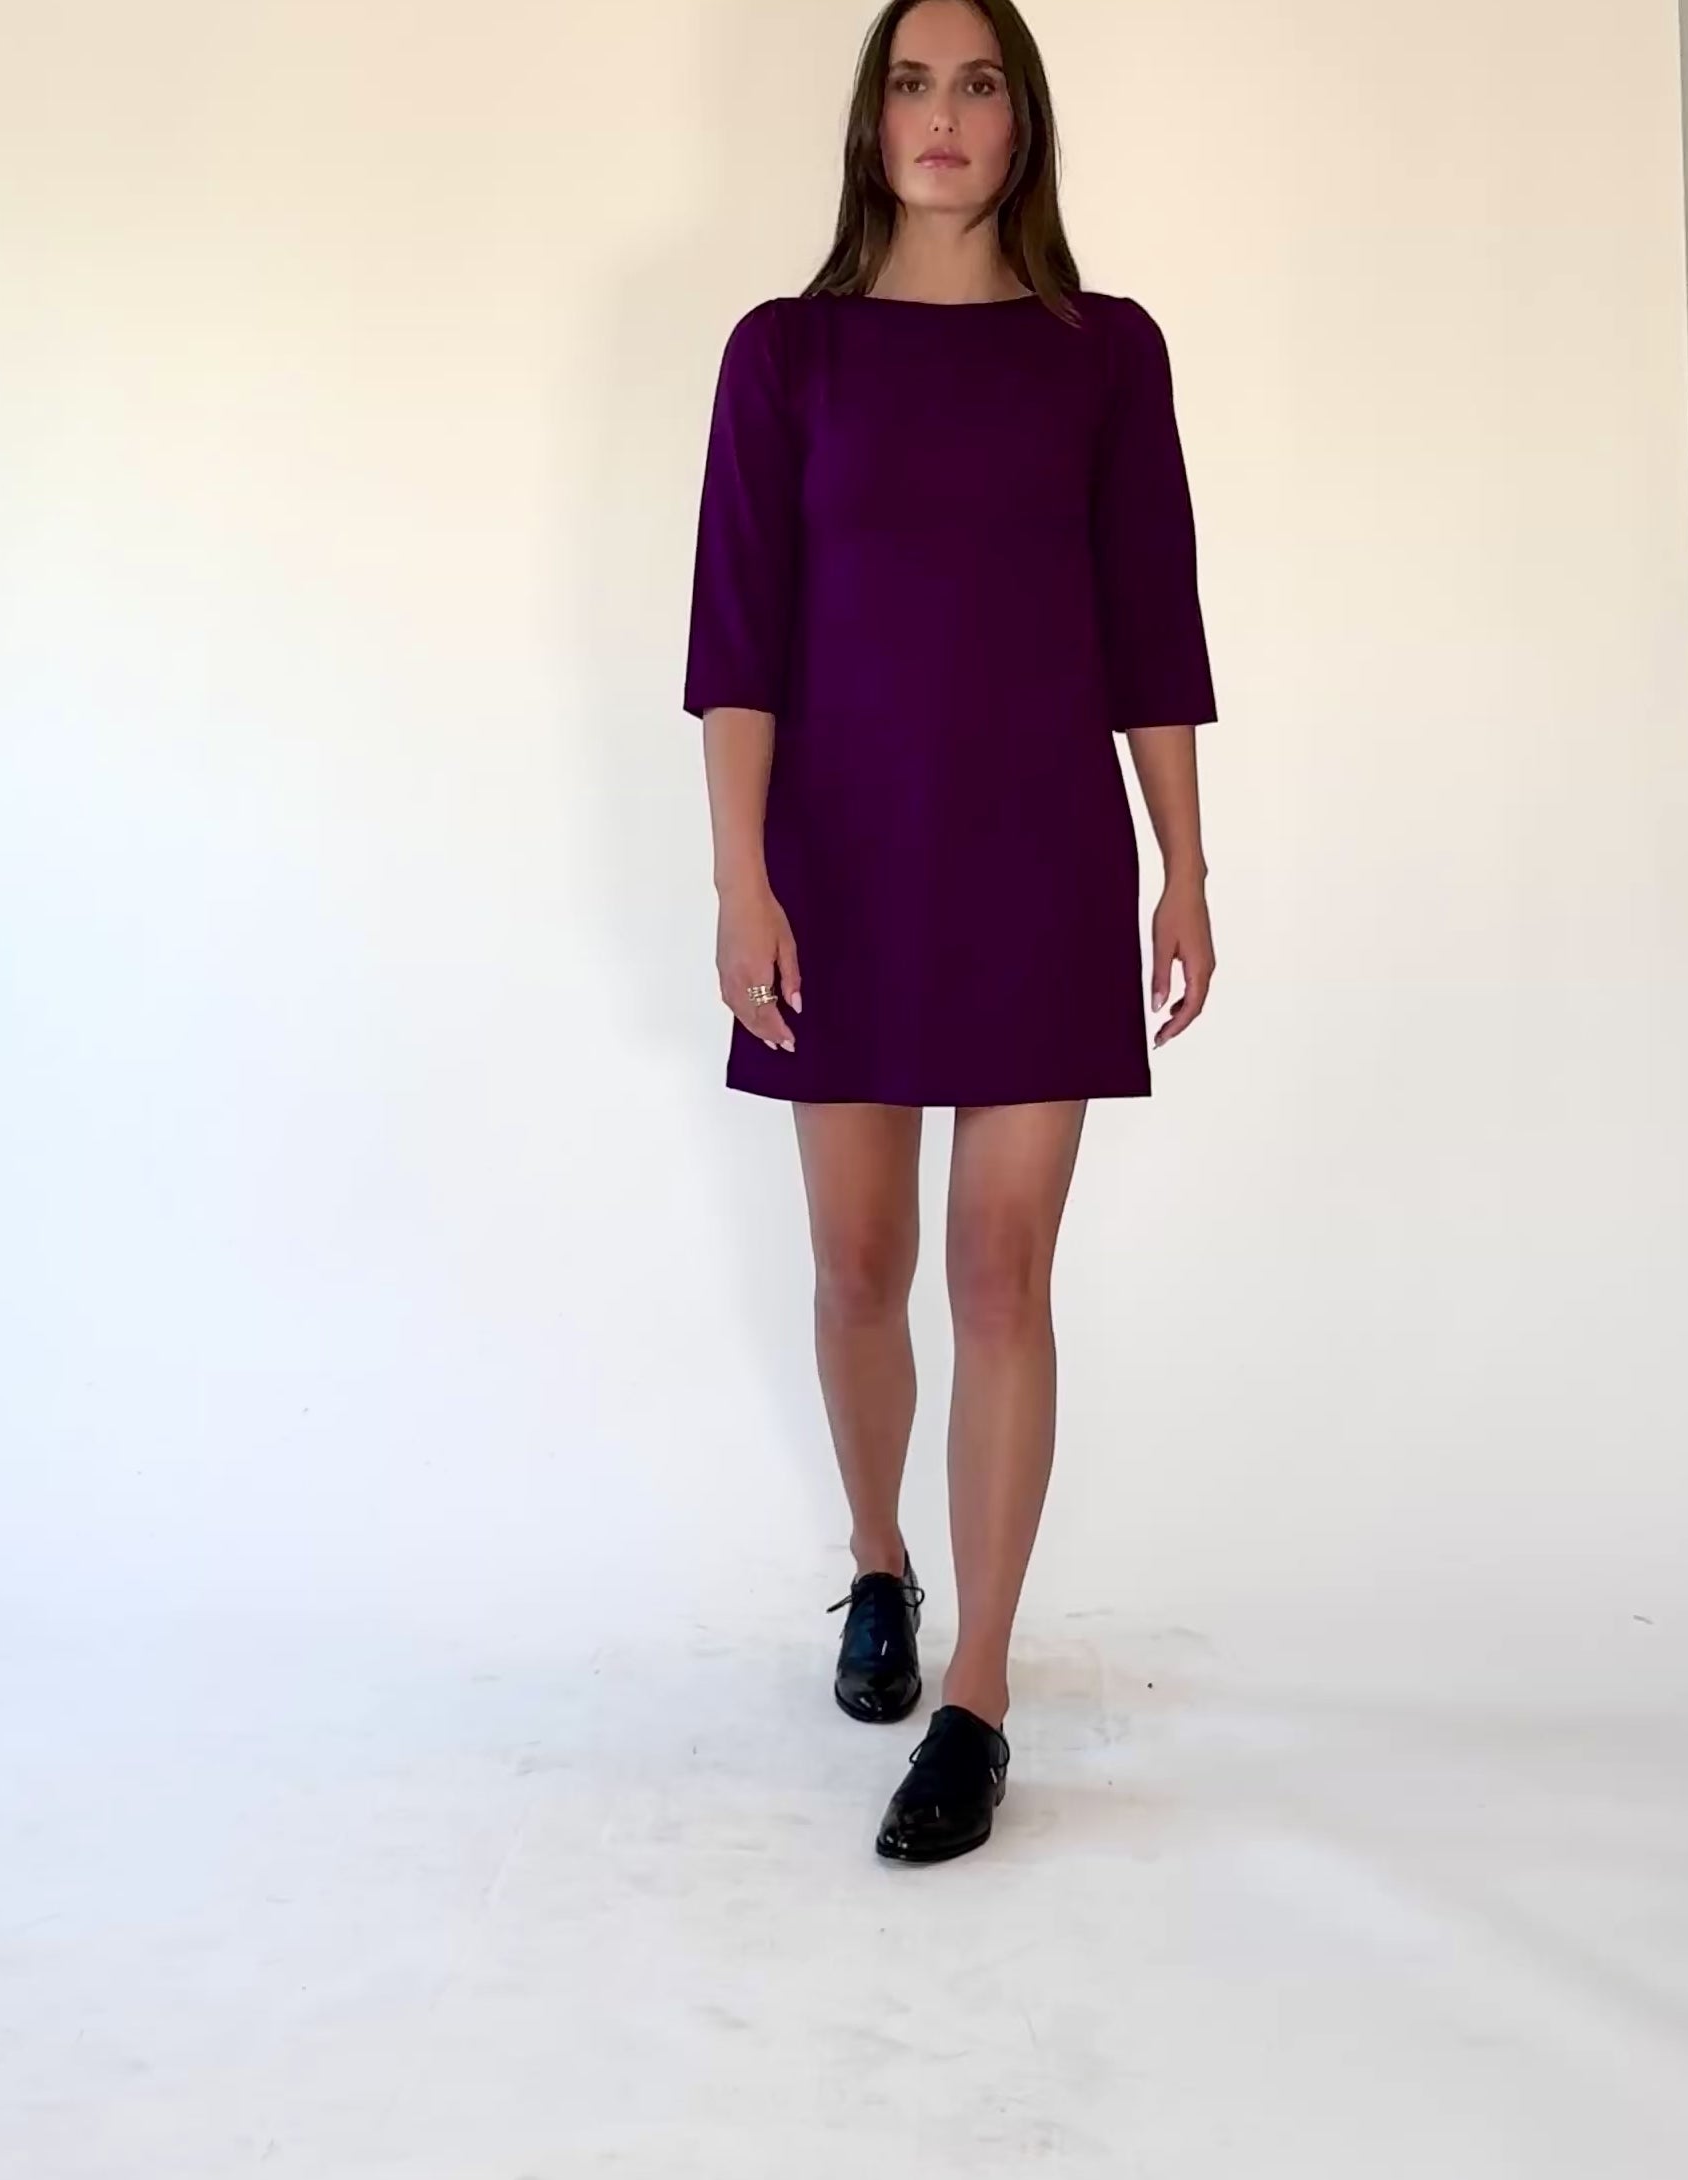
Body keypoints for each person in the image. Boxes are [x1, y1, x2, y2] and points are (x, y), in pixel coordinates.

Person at [681, 0, 1217, 1864]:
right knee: (855, 1265)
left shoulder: (1103, 353)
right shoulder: (786, 354)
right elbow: (736, 642)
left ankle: (977, 1696)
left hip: (1036, 859)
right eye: (910, 82)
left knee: (1001, 1273)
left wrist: (1184, 865)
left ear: (1021, 120)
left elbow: (1151, 623)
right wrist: (740, 878)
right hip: (834, 861)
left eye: (977, 82)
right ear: (868, 120)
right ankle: (879, 1566)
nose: (942, 113)